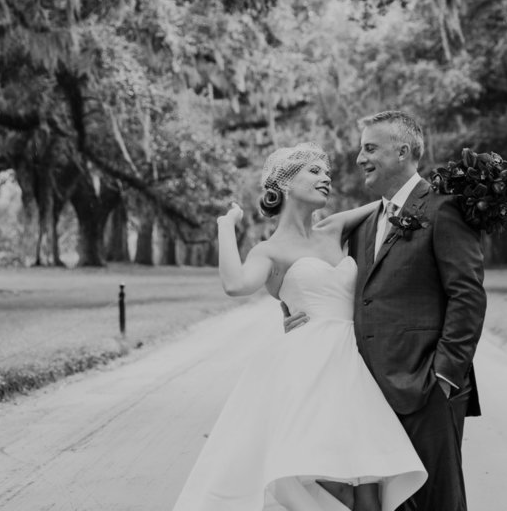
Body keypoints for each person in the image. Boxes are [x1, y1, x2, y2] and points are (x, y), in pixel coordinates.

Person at [171, 142, 427, 511]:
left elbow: (400, 200)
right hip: (310, 367)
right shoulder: (268, 252)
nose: (326, 179)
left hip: (354, 365)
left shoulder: (335, 227)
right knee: (324, 476)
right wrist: (225, 226)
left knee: (368, 481)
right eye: (315, 171)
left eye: (327, 173)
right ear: (286, 184)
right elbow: (235, 284)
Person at [286, 111, 486, 511]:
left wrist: (445, 375)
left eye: (370, 148)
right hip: (370, 391)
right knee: (394, 504)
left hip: (427, 387)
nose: (360, 157)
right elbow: (351, 291)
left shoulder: (444, 208)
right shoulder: (367, 221)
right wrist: (300, 316)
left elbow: (468, 295)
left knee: (436, 500)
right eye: (362, 148)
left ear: (404, 151)